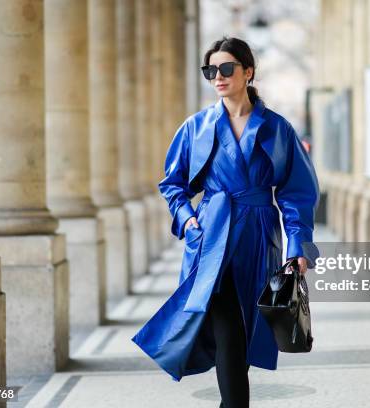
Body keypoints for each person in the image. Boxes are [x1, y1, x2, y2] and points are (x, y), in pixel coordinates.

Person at [132, 36, 320, 408]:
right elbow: (173, 184)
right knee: (229, 331)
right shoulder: (196, 127)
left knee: (244, 334)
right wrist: (187, 221)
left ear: (248, 72)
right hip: (210, 239)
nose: (218, 76)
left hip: (258, 237)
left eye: (226, 68)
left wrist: (298, 245)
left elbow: (297, 192)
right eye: (210, 70)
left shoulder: (277, 129)